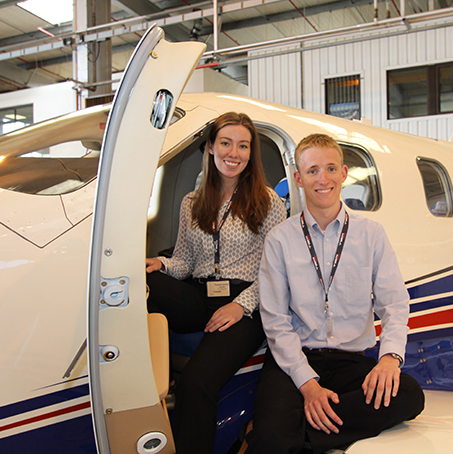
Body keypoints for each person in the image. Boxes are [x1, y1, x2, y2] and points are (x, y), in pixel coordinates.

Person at [246, 134, 425, 454]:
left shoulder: (371, 235)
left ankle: (296, 434)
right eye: (312, 171)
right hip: (293, 363)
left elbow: (395, 304)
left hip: (349, 362)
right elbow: (275, 321)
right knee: (271, 438)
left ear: (343, 173)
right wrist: (309, 386)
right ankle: (291, 433)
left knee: (409, 395)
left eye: (330, 168)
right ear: (298, 179)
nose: (323, 179)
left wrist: (389, 359)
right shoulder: (280, 240)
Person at [145, 112, 287, 454]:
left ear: (251, 153)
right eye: (226, 143)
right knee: (141, 285)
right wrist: (159, 264)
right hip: (199, 294)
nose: (233, 153)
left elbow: (276, 272)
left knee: (197, 382)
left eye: (243, 145)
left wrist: (240, 305)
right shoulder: (191, 203)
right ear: (210, 147)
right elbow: (184, 262)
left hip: (246, 303)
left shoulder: (269, 203)